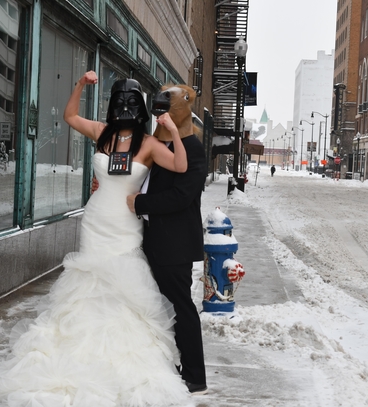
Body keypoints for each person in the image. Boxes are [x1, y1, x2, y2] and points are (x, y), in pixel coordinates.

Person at [0, 71, 190, 406]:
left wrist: (173, 132)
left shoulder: (149, 144)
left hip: (125, 225)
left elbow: (179, 165)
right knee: (88, 288)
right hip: (96, 221)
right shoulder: (102, 133)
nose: (124, 107)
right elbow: (70, 116)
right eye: (119, 100)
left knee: (122, 290)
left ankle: (117, 361)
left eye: (131, 102)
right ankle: (78, 352)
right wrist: (80, 84)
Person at [126, 86, 208, 395]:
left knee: (180, 308)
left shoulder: (191, 146)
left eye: (165, 109)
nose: (159, 115)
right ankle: (167, 365)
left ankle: (194, 376)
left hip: (173, 245)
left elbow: (183, 196)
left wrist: (140, 204)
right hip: (152, 240)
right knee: (160, 308)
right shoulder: (156, 143)